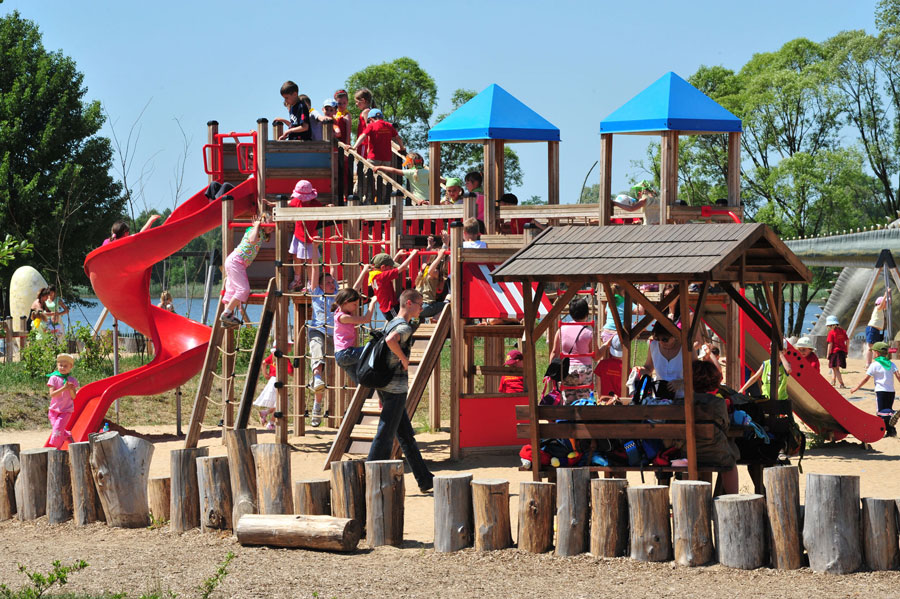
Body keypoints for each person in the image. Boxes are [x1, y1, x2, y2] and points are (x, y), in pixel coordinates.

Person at [367, 288, 434, 493]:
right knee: (386, 433)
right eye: (420, 304)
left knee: (405, 435)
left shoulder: (390, 323)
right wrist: (404, 359)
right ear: (409, 303)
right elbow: (390, 341)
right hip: (396, 387)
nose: (422, 308)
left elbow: (385, 348)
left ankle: (425, 479)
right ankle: (371, 474)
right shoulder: (403, 326)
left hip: (386, 385)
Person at [691, 360, 739, 494]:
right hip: (714, 452)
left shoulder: (683, 402)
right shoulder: (718, 403)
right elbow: (725, 426)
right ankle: (732, 497)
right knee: (730, 463)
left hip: (686, 452)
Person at [221, 215, 269, 328]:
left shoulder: (261, 233)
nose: (271, 226)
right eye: (269, 223)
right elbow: (252, 240)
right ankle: (226, 313)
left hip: (234, 261)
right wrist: (257, 225)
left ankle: (227, 319)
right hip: (236, 262)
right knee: (243, 289)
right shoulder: (254, 230)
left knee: (232, 290)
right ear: (262, 223)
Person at [550, 297, 598, 403]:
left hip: (567, 370)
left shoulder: (561, 330)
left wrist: (553, 371)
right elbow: (596, 355)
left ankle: (568, 418)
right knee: (583, 400)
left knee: (568, 399)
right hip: (584, 371)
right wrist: (605, 347)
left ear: (571, 313)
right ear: (586, 313)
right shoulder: (589, 332)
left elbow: (554, 352)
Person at [307, 273, 337, 427]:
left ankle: (317, 405)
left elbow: (334, 267)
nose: (332, 284)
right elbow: (314, 268)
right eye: (328, 282)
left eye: (333, 282)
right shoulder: (317, 293)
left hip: (333, 336)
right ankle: (316, 376)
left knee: (330, 377)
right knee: (317, 349)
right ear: (319, 286)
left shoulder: (337, 293)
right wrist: (315, 248)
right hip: (318, 330)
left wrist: (332, 247)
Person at [850, 342, 900, 431]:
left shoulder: (874, 365)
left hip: (880, 392)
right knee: (887, 412)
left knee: (880, 412)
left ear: (877, 353)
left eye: (873, 352)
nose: (872, 354)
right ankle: (891, 431)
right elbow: (898, 376)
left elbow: (866, 379)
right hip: (891, 392)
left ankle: (893, 412)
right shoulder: (891, 364)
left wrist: (856, 388)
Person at [333, 288, 378, 385]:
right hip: (346, 353)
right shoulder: (343, 317)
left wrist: (364, 272)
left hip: (341, 356)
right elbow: (366, 319)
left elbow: (353, 288)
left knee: (361, 382)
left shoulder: (340, 310)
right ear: (345, 302)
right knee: (373, 348)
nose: (356, 307)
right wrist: (372, 303)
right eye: (354, 304)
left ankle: (366, 397)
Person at [287, 180, 324, 292]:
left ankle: (310, 282)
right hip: (299, 235)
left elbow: (324, 209)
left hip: (310, 237)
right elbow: (288, 203)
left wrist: (329, 207)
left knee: (310, 261)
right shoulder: (296, 201)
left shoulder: (316, 204)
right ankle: (297, 278)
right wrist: (274, 204)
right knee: (296, 257)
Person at [366, 250, 419, 321]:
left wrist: (397, 255)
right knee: (400, 322)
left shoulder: (375, 275)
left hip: (386, 308)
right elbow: (402, 267)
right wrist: (412, 255)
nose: (392, 269)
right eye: (390, 267)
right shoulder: (382, 277)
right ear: (383, 267)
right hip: (390, 308)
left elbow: (389, 268)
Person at [254, 343, 295, 430]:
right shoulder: (284, 358)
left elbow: (264, 363)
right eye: (289, 345)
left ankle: (265, 412)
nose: (290, 347)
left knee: (279, 403)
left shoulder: (273, 355)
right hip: (278, 380)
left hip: (273, 380)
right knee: (282, 403)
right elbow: (291, 373)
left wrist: (265, 374)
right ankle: (271, 423)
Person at [640, 321, 684, 400]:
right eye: (657, 338)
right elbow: (648, 368)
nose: (660, 342)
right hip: (658, 398)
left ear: (674, 336)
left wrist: (681, 383)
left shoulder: (685, 348)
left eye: (664, 339)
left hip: (681, 399)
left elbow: (697, 376)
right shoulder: (653, 345)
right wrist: (639, 371)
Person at [47, 353, 79, 449]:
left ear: (71, 367)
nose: (62, 367)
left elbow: (73, 397)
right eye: (60, 365)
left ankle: (57, 448)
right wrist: (64, 388)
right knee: (58, 430)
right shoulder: (53, 378)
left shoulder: (72, 380)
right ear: (57, 365)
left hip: (66, 411)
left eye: (65, 366)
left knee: (57, 430)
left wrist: (70, 389)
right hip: (53, 410)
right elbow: (52, 394)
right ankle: (67, 435)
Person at [415, 233, 449, 320]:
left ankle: (426, 319)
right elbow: (432, 270)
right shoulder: (434, 272)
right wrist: (444, 247)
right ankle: (435, 319)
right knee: (451, 305)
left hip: (417, 306)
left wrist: (429, 247)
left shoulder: (424, 267)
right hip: (427, 306)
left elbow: (423, 258)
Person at [825, 315, 848, 388]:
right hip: (842, 352)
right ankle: (833, 381)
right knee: (834, 367)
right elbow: (847, 340)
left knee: (836, 368)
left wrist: (828, 354)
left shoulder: (831, 333)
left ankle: (841, 383)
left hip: (835, 352)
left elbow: (830, 344)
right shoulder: (843, 331)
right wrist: (846, 349)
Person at [866, 293, 889, 366]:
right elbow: (881, 305)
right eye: (885, 302)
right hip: (872, 329)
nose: (886, 304)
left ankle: (876, 362)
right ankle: (868, 363)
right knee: (870, 347)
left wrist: (889, 295)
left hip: (876, 330)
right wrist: (886, 295)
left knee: (876, 347)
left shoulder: (881, 311)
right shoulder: (878, 308)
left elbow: (889, 304)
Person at [353, 88, 374, 156]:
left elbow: (369, 129)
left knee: (362, 164)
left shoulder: (366, 112)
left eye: (357, 101)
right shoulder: (366, 111)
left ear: (363, 100)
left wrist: (369, 147)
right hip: (361, 143)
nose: (356, 104)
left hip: (364, 144)